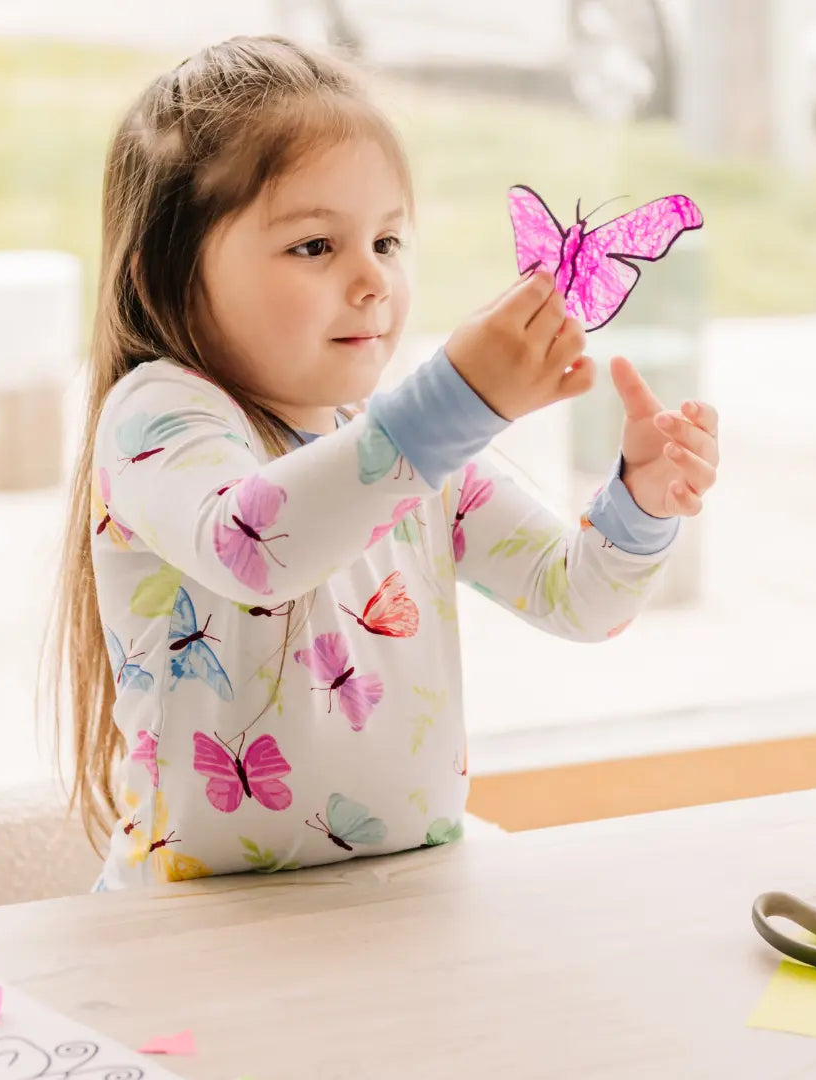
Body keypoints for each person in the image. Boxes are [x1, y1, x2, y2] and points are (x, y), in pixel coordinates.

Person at [47, 35, 720, 889]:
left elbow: (578, 598)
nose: (372, 282)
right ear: (166, 277)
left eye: (389, 243)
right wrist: (455, 404)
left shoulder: (404, 444)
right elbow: (253, 546)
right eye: (315, 247)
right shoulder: (158, 416)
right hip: (194, 926)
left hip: (400, 903)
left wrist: (642, 503)